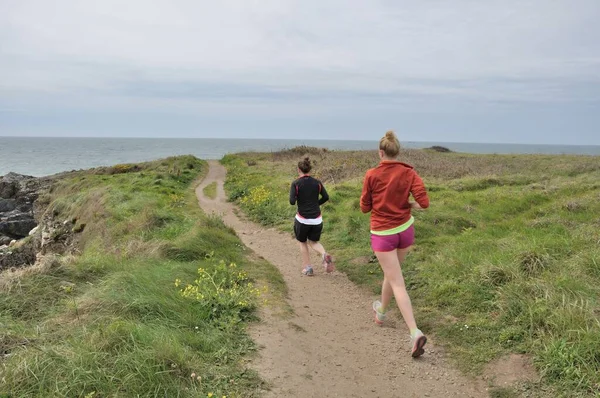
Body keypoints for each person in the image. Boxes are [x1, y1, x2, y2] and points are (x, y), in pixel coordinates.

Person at [360, 131, 430, 358]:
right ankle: (380, 312)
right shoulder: (409, 172)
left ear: (381, 153)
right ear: (397, 151)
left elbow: (364, 207)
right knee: (392, 275)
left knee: (397, 282)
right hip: (405, 231)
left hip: (383, 234)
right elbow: (425, 203)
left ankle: (414, 332)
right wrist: (408, 204)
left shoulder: (371, 174)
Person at [290, 157, 334, 276]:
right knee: (314, 242)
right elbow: (326, 197)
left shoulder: (296, 183)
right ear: (309, 169)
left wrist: (297, 198)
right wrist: (316, 204)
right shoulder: (317, 182)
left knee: (303, 242)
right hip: (317, 220)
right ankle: (324, 254)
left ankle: (308, 268)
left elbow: (292, 201)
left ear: (299, 169)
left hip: (302, 220)